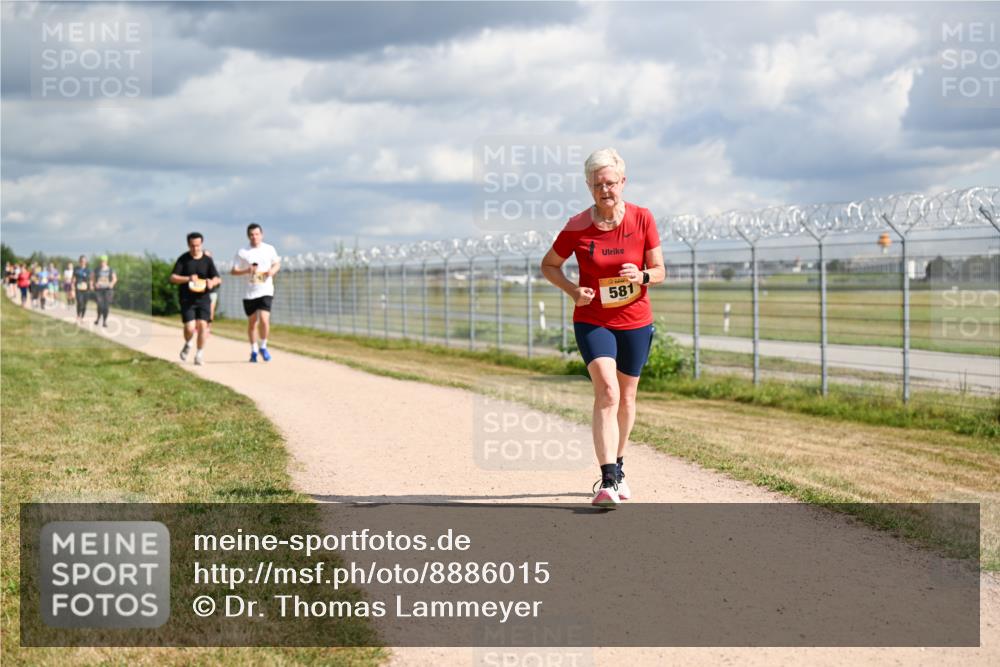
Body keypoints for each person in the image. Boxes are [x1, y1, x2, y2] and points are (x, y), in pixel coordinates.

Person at [540, 148, 665, 508]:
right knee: (607, 392)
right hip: (593, 319)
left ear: (622, 182)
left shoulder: (642, 218)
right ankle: (607, 479)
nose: (604, 190)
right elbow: (549, 265)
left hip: (636, 321)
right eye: (597, 184)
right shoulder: (578, 225)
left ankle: (620, 465)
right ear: (588, 187)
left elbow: (660, 271)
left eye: (610, 182)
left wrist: (641, 275)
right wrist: (571, 290)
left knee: (627, 398)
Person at [230, 223, 280, 362]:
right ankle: (253, 350)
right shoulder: (243, 252)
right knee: (253, 322)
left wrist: (271, 271)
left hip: (266, 289)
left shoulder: (269, 249)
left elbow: (277, 263)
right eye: (251, 234)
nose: (254, 237)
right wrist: (247, 271)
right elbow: (233, 271)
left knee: (264, 319)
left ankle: (263, 345)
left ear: (261, 235)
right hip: (249, 292)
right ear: (248, 236)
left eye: (257, 234)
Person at [170, 232, 221, 365]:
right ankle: (188, 343)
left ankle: (199, 354)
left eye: (198, 245)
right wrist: (188, 278)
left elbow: (217, 277)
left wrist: (212, 282)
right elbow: (173, 277)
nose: (195, 248)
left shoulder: (207, 260)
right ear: (188, 245)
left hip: (204, 298)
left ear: (201, 244)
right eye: (192, 246)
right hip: (187, 299)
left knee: (203, 326)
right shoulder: (183, 259)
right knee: (190, 327)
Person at [92, 255, 117, 327]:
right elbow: (92, 278)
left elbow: (115, 278)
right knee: (100, 305)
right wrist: (94, 284)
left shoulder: (111, 270)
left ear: (106, 262)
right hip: (99, 290)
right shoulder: (96, 269)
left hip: (108, 290)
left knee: (106, 306)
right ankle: (98, 317)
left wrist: (112, 284)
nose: (102, 263)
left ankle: (104, 321)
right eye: (101, 261)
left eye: (103, 261)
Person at [73, 256, 92, 324]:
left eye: (84, 261)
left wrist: (91, 286)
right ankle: (78, 316)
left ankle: (82, 317)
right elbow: (74, 278)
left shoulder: (88, 270)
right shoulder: (76, 269)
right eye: (81, 261)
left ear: (86, 262)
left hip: (86, 289)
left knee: (84, 304)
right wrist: (72, 285)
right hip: (78, 288)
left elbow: (90, 279)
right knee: (79, 302)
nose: (83, 262)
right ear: (79, 261)